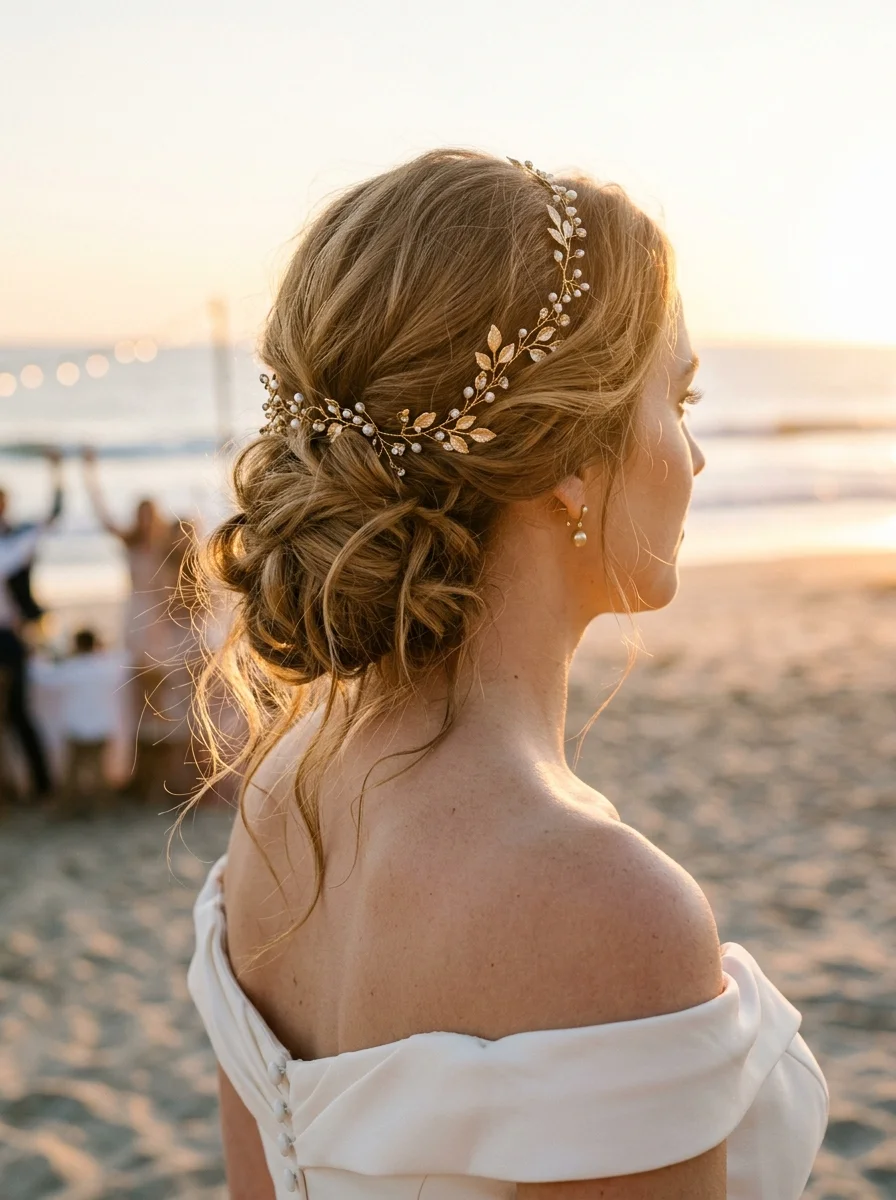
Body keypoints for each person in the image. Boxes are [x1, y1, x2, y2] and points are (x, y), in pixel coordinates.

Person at [184, 151, 828, 1199]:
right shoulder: (606, 913)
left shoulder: (279, 794)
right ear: (571, 462)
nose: (694, 457)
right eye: (682, 396)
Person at [80, 450, 194, 795]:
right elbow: (103, 518)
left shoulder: (164, 547)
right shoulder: (131, 544)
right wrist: (90, 476)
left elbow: (189, 540)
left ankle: (159, 760)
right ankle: (135, 764)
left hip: (158, 617)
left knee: (161, 683)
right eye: (142, 515)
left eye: (151, 515)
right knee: (137, 683)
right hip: (135, 613)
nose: (146, 520)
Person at [0, 448, 64, 797]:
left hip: (10, 635)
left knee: (19, 712)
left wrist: (57, 475)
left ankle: (41, 787)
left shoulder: (15, 540)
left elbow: (52, 517)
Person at [53, 628, 122, 813]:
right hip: (101, 726)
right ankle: (105, 807)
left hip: (75, 727)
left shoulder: (70, 667)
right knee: (99, 771)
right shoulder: (107, 666)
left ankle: (66, 809)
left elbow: (48, 678)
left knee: (72, 771)